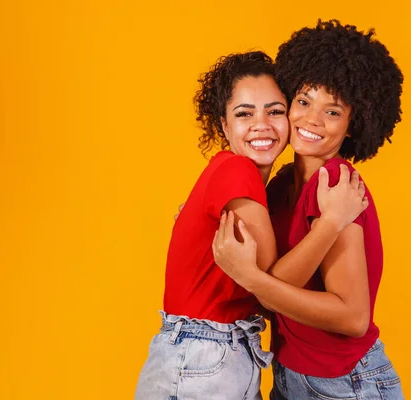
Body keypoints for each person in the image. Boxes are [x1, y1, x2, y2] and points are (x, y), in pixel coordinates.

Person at [135, 50, 367, 400]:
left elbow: (262, 291)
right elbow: (272, 288)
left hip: (215, 354)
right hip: (204, 357)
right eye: (244, 114)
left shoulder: (264, 187)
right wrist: (330, 222)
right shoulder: (237, 171)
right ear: (224, 126)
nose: (262, 124)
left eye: (274, 111)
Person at [212, 20, 405, 399]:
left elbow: (352, 318)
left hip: (345, 382)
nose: (311, 119)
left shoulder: (336, 185)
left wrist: (253, 280)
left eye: (333, 111)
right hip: (290, 375)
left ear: (354, 124)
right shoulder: (283, 185)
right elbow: (279, 277)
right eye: (302, 101)